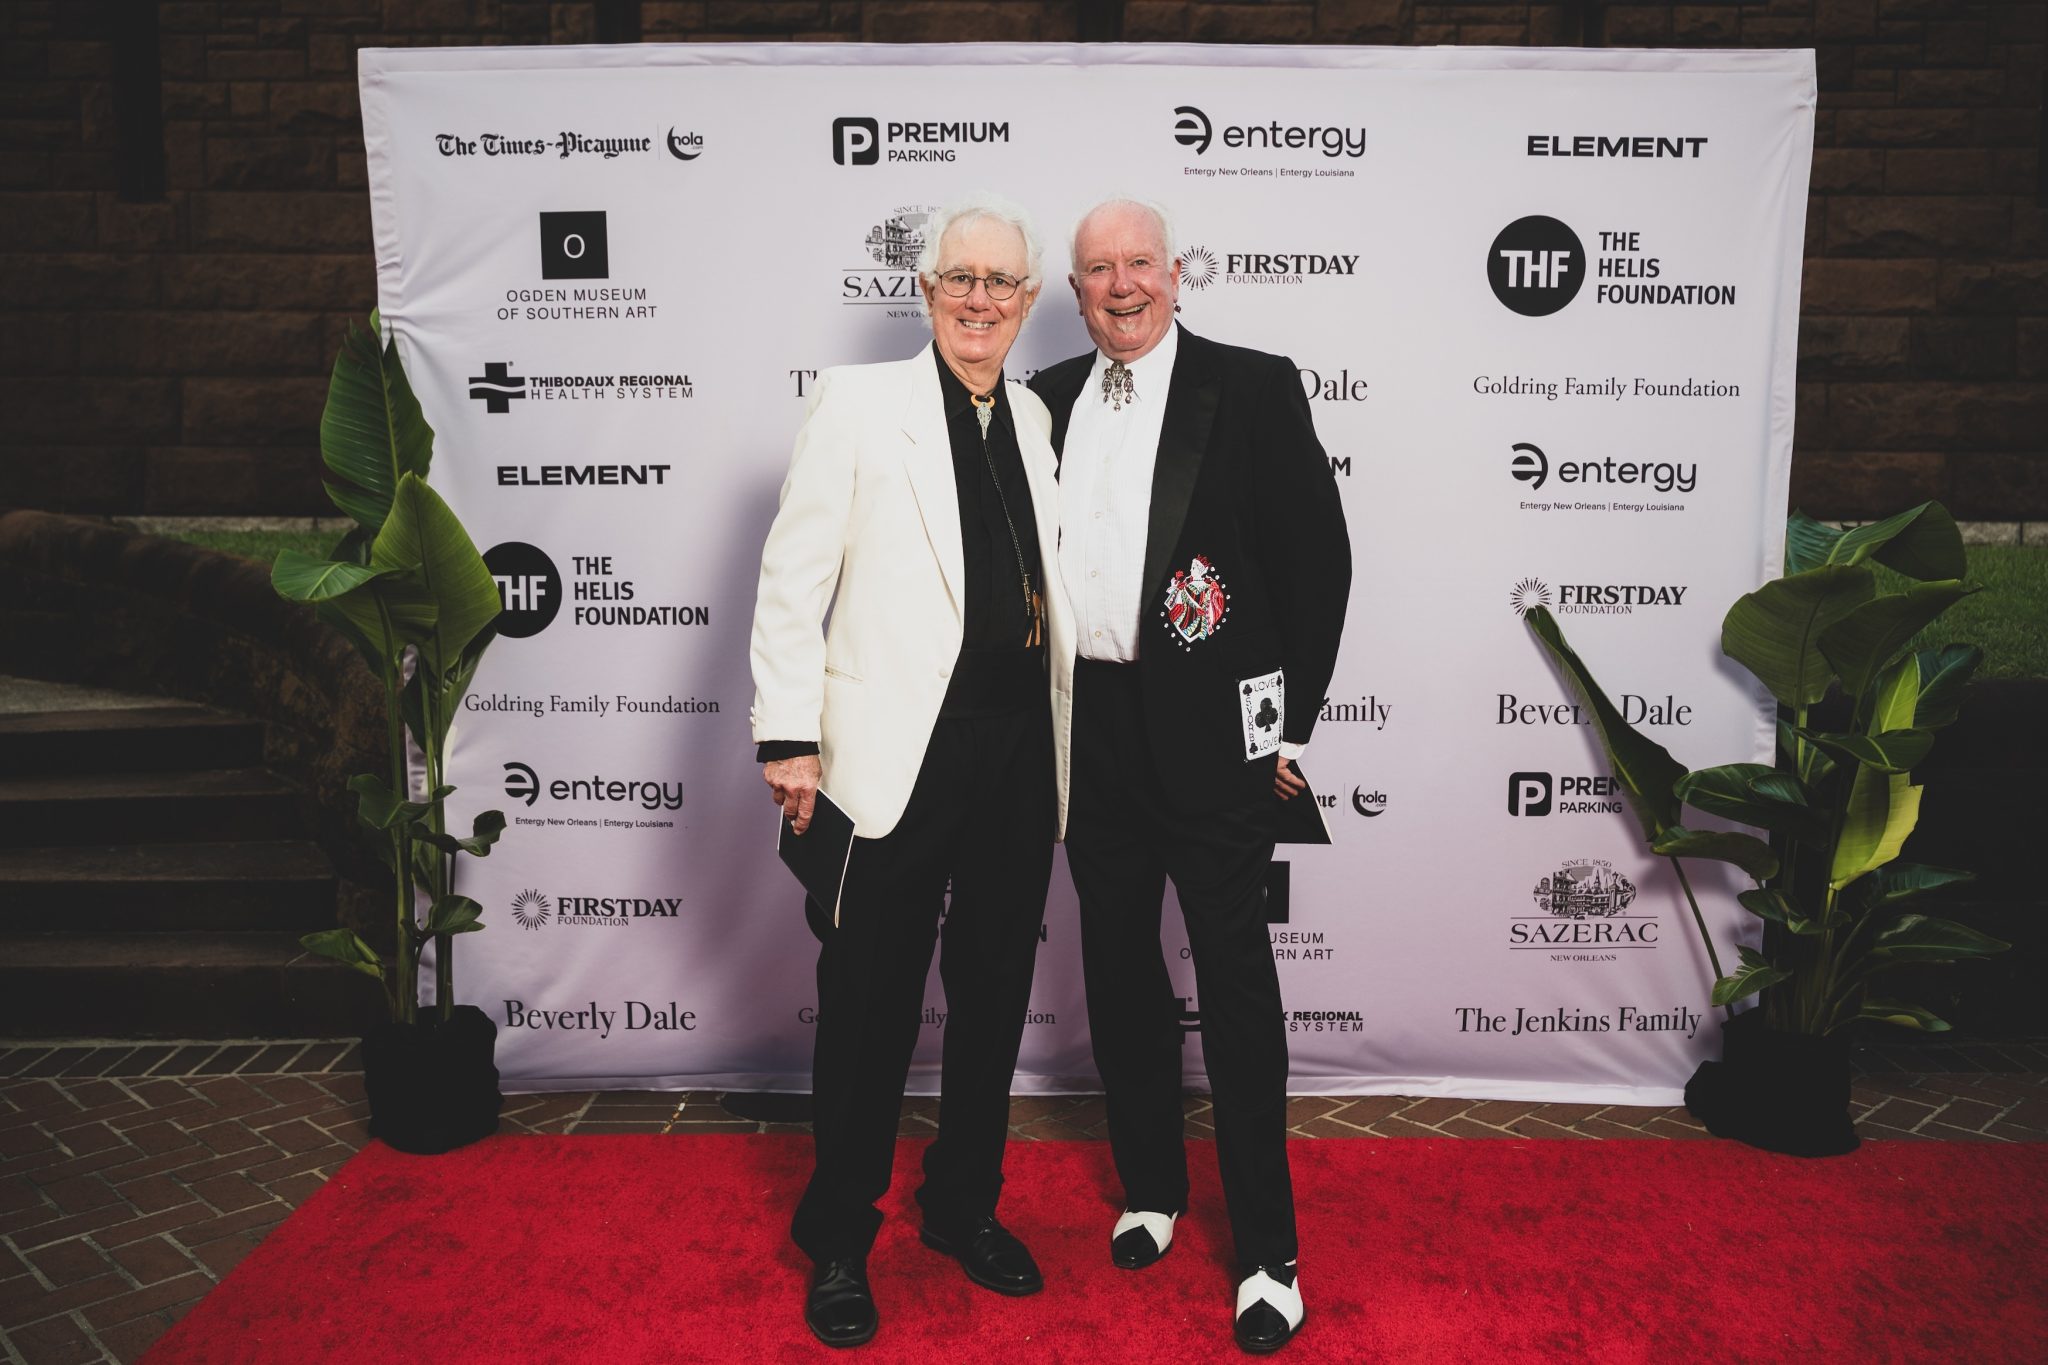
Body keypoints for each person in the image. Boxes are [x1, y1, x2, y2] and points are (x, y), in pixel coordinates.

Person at [748, 193, 1074, 1349]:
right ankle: (840, 1237)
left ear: (1027, 301)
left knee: (991, 999)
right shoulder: (857, 403)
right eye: (960, 278)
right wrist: (787, 736)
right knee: (867, 1009)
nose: (980, 299)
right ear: (927, 289)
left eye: (1001, 283)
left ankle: (961, 1208)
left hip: (1017, 754)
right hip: (892, 758)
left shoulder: (1033, 417)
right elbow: (791, 582)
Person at [1029, 196, 1351, 1354]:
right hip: (1089, 731)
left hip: (1217, 738)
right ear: (1074, 291)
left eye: (1139, 263)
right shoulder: (1046, 398)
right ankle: (1152, 1190)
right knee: (1117, 972)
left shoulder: (1251, 387)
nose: (1121, 285)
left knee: (1235, 987)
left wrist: (1287, 733)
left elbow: (1317, 564)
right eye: (1097, 269)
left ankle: (1268, 1253)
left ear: (1175, 273)